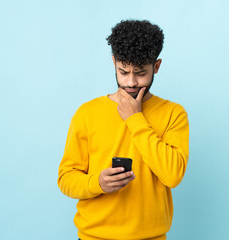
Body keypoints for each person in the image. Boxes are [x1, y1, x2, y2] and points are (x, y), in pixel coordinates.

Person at [58, 19, 189, 240]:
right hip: (93, 236)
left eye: (140, 73)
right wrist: (97, 183)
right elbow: (66, 178)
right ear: (113, 62)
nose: (130, 82)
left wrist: (135, 119)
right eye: (123, 71)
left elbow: (173, 175)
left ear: (156, 66)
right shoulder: (87, 113)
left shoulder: (173, 114)